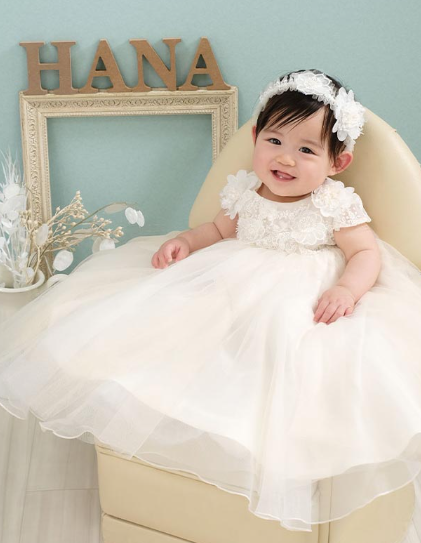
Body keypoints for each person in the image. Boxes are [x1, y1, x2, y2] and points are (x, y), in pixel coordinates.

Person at [1, 69, 421, 535]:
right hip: (234, 274)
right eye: (275, 141)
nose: (285, 158)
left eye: (307, 150)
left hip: (301, 288)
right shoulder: (246, 191)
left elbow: (365, 253)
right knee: (181, 317)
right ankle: (178, 409)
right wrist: (186, 241)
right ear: (256, 137)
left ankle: (260, 433)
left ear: (337, 162)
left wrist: (347, 289)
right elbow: (219, 230)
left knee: (283, 332)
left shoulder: (333, 203)